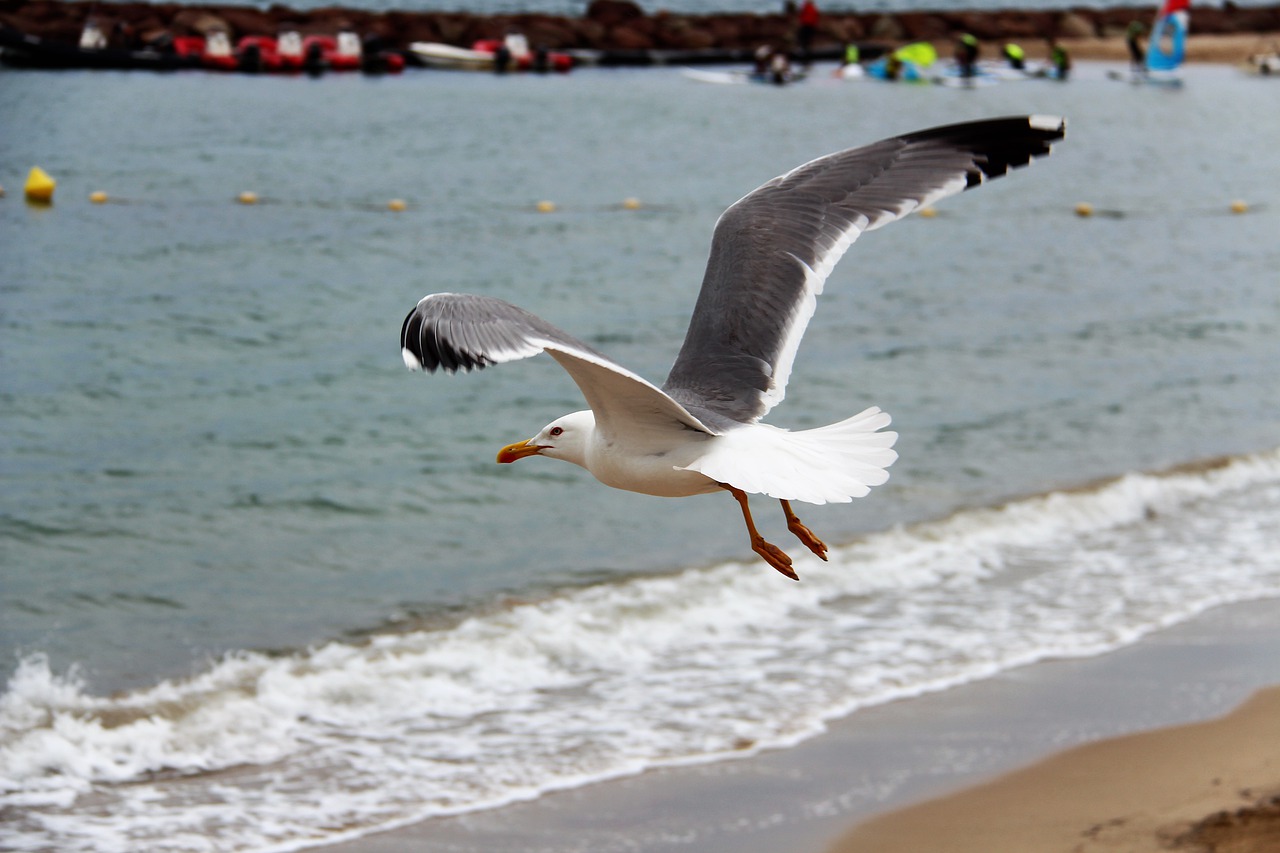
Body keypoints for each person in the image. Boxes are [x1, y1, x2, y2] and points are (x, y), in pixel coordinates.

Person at [796, 0, 819, 66]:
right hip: (809, 26)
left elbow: (802, 15)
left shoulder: (808, 7)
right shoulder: (811, 7)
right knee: (806, 43)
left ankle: (805, 58)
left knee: (805, 43)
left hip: (807, 26)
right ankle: (806, 58)